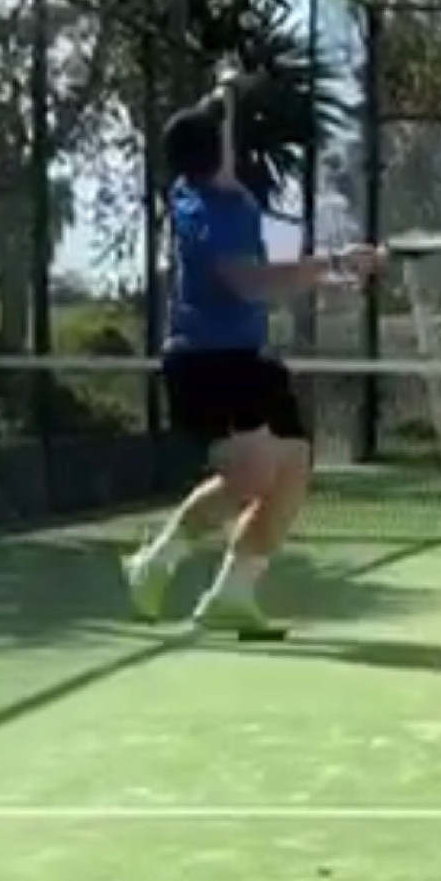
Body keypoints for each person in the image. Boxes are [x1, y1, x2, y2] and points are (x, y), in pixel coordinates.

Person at [123, 64, 382, 639]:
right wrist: (334, 263)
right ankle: (153, 564)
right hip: (206, 362)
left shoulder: (199, 189)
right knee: (252, 477)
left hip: (248, 357)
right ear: (217, 154)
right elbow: (248, 283)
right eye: (224, 138)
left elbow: (214, 129)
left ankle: (234, 593)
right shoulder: (213, 211)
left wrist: (224, 92)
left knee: (293, 468)